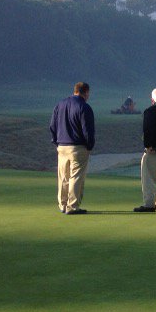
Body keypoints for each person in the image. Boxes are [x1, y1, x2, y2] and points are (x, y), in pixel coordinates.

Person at [49, 81, 95, 215]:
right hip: (78, 147)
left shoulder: (60, 104)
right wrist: (89, 145)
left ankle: (62, 204)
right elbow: (88, 130)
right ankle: (72, 206)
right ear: (85, 92)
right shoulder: (84, 107)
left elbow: (52, 125)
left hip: (62, 146)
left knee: (63, 176)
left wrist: (56, 142)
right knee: (76, 177)